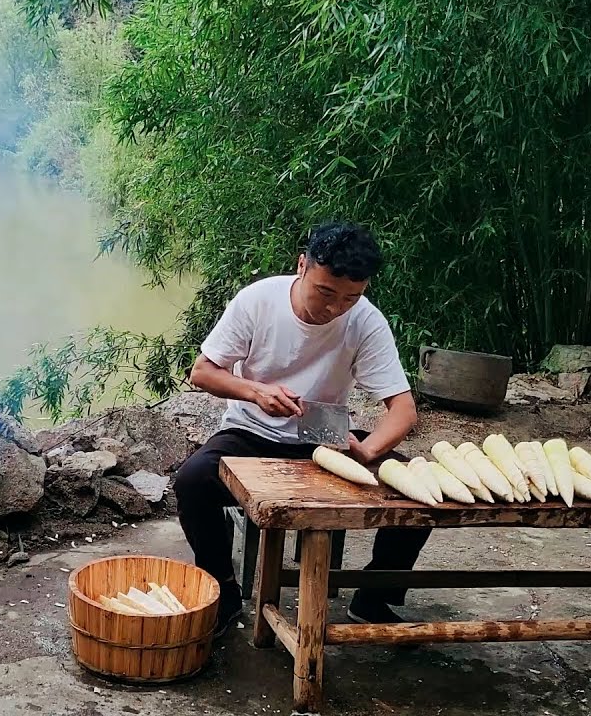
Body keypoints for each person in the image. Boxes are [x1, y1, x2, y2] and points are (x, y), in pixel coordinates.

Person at [173, 221, 426, 636]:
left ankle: (373, 595)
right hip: (251, 431)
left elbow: (402, 410)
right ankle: (224, 589)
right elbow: (202, 373)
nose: (334, 308)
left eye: (350, 298)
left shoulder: (365, 320)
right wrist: (255, 391)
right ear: (303, 264)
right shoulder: (258, 301)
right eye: (325, 292)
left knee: (418, 485)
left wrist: (367, 451)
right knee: (192, 481)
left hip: (323, 439)